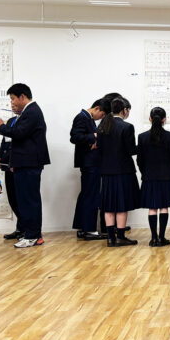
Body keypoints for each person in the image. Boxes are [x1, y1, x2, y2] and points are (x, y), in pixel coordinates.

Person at [0, 83, 49, 249]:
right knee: (25, 200)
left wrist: (1, 126)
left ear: (22, 97)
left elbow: (18, 133)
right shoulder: (28, 112)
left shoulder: (32, 111)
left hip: (29, 163)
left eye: (13, 99)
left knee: (29, 201)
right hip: (24, 163)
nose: (12, 102)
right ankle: (30, 234)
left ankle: (33, 236)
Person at [96, 97, 139, 247]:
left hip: (107, 171)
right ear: (124, 110)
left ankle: (110, 238)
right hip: (123, 171)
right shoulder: (127, 127)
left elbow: (99, 150)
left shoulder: (102, 126)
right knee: (122, 204)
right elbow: (131, 150)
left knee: (108, 205)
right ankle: (120, 237)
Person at [138, 107, 170, 247]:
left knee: (152, 208)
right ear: (164, 119)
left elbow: (140, 160)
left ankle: (153, 238)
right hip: (167, 177)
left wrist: (145, 172)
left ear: (150, 119)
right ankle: (162, 237)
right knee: (163, 207)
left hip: (149, 177)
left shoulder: (142, 137)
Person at [70, 99, 108, 240]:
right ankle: (89, 230)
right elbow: (74, 137)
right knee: (91, 195)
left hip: (90, 162)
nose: (101, 118)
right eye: (102, 115)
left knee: (87, 194)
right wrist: (94, 136)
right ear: (97, 108)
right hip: (89, 163)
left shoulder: (88, 118)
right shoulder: (82, 117)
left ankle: (83, 228)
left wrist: (93, 141)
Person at [0, 112, 24, 241]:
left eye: (14, 102)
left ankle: (25, 229)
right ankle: (20, 228)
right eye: (11, 102)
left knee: (22, 199)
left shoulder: (26, 120)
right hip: (7, 164)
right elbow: (4, 141)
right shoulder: (11, 120)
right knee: (12, 198)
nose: (12, 104)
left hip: (19, 165)